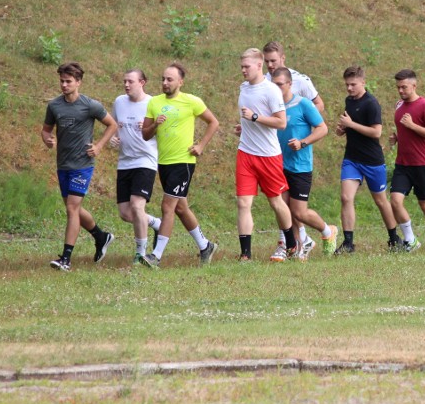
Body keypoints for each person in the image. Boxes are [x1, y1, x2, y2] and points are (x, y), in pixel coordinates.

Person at [139, 62, 220, 268]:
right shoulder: (154, 103)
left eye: (170, 79)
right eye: (163, 79)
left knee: (167, 206)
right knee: (181, 208)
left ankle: (156, 256)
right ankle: (205, 246)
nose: (165, 83)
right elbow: (145, 135)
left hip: (183, 162)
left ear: (180, 82)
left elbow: (213, 122)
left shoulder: (191, 101)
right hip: (163, 162)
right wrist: (155, 124)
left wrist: (201, 145)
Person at [42, 62, 118, 271]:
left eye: (68, 81)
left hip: (82, 164)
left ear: (78, 82)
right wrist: (47, 139)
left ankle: (65, 259)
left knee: (71, 208)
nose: (64, 85)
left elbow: (112, 124)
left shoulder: (90, 105)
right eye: (62, 81)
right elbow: (46, 130)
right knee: (74, 208)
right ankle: (101, 236)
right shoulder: (54, 106)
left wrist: (99, 146)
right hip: (63, 164)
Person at [233, 49, 300, 262]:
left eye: (247, 67)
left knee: (276, 203)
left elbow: (281, 122)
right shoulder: (243, 88)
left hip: (268, 156)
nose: (243, 70)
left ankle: (291, 243)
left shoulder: (271, 90)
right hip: (245, 153)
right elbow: (251, 120)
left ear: (259, 65)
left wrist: (254, 117)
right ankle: (245, 254)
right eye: (241, 66)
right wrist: (244, 126)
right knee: (243, 203)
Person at [270, 66, 338, 260]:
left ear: (290, 84)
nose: (277, 88)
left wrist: (303, 143)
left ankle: (327, 231)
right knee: (283, 208)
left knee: (299, 212)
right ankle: (299, 244)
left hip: (300, 166)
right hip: (278, 164)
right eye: (273, 85)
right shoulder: (273, 107)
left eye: (280, 84)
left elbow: (322, 128)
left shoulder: (303, 104)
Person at [334, 65, 400, 254]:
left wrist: (350, 124)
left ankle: (394, 239)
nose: (349, 88)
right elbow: (351, 126)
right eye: (347, 84)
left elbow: (376, 132)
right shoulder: (349, 101)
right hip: (352, 159)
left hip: (372, 161)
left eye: (353, 84)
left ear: (363, 82)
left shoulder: (371, 103)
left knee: (381, 201)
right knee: (346, 197)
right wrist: (343, 130)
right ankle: (348, 243)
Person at [387, 69, 425, 253]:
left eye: (404, 87)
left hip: (423, 164)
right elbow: (405, 131)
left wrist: (412, 125)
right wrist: (397, 137)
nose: (401, 91)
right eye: (398, 87)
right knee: (395, 200)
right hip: (403, 164)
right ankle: (410, 241)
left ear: (414, 85)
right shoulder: (398, 105)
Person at [110, 69, 163, 264]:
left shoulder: (153, 103)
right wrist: (113, 139)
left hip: (146, 160)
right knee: (125, 213)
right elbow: (114, 125)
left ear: (142, 82)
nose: (126, 85)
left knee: (137, 205)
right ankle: (156, 223)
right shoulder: (119, 102)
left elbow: (165, 130)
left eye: (130, 81)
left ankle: (140, 253)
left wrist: (150, 128)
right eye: (124, 81)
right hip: (125, 162)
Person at [262, 41, 325, 112]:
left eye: (273, 61)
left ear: (283, 58)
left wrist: (303, 119)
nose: (269, 65)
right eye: (266, 61)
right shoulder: (263, 81)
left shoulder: (300, 80)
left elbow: (319, 104)